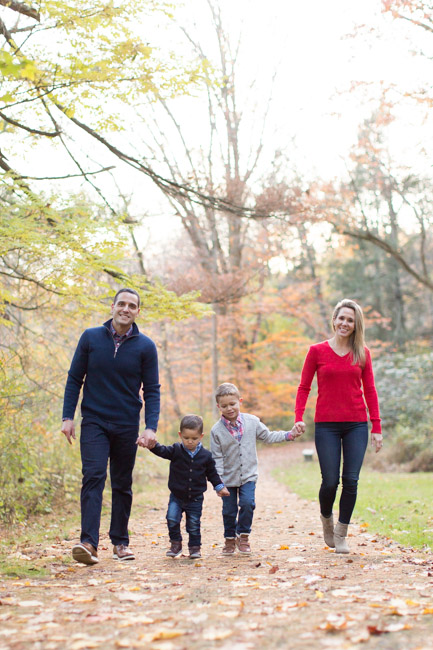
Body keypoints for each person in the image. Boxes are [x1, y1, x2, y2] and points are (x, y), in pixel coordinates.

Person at [61, 288, 160, 565]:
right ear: (112, 307)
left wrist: (150, 427)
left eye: (132, 305)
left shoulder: (146, 347)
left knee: (121, 483)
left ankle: (120, 542)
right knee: (93, 476)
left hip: (127, 423)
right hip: (93, 420)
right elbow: (74, 379)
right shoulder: (91, 337)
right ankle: (89, 543)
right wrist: (67, 416)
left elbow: (152, 390)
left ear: (137, 311)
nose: (126, 309)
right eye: (121, 304)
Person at [294, 298, 383, 554]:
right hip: (326, 425)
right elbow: (304, 387)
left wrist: (376, 427)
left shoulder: (362, 353)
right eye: (341, 318)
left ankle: (342, 533)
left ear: (356, 326)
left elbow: (371, 390)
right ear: (334, 320)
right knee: (330, 481)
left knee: (351, 480)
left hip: (356, 423)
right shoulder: (316, 351)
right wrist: (299, 416)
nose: (345, 323)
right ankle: (326, 521)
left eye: (350, 320)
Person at [210, 382, 303, 555]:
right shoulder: (216, 430)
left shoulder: (251, 422)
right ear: (218, 407)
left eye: (232, 404)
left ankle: (243, 535)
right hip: (227, 480)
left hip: (248, 475)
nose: (229, 408)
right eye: (224, 406)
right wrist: (218, 482)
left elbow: (268, 436)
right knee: (229, 511)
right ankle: (230, 538)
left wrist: (288, 435)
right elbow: (216, 458)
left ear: (240, 401)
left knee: (247, 504)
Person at [148, 414, 229, 559]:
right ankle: (175, 544)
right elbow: (162, 451)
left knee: (193, 523)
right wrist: (152, 445)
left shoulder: (206, 456)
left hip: (195, 498)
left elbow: (212, 474)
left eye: (194, 438)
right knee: (172, 519)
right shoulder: (176, 450)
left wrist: (219, 487)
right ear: (180, 435)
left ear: (201, 436)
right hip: (176, 496)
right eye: (186, 438)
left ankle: (194, 548)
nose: (190, 441)